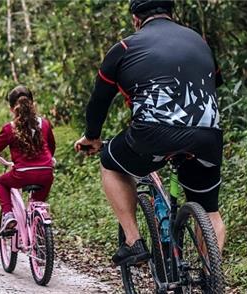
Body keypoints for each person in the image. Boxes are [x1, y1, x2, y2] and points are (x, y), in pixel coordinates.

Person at [74, 0, 226, 266]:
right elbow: (216, 81)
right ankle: (211, 276)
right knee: (210, 210)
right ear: (172, 13)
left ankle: (134, 242)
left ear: (135, 19)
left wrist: (92, 137)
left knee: (111, 163)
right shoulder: (199, 42)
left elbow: (99, 101)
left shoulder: (123, 48)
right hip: (207, 136)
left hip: (153, 135)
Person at [0, 85, 56, 232]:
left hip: (22, 174)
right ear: (33, 104)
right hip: (46, 173)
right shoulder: (44, 123)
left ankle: (8, 215)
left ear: (12, 108)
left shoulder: (10, 128)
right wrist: (50, 159)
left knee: (2, 182)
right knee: (37, 204)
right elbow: (51, 147)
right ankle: (38, 234)